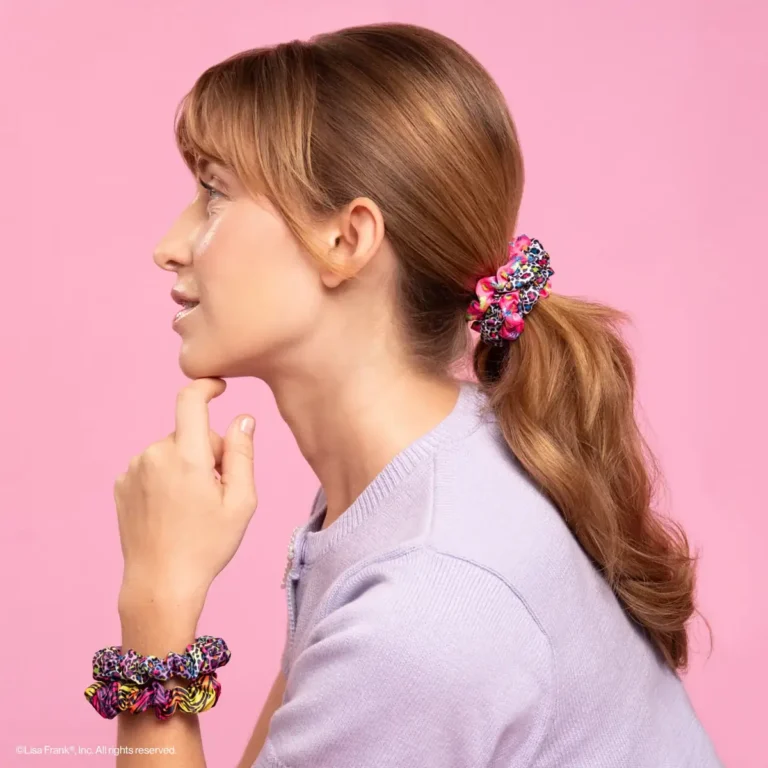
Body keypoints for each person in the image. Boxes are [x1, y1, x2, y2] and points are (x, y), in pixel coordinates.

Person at [93, 21, 723, 767]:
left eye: (213, 193)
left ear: (347, 239)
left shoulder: (426, 605)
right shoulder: (424, 478)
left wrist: (157, 607)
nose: (169, 243)